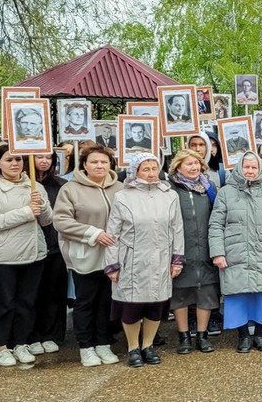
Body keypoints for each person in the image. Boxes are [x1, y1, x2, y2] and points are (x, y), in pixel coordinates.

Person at [104, 153, 184, 368]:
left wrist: (177, 258)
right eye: (145, 169)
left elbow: (177, 229)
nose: (151, 173)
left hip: (161, 258)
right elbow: (113, 233)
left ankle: (148, 345)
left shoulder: (169, 195)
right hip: (132, 260)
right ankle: (133, 348)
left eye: (154, 168)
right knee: (131, 306)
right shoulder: (123, 197)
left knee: (156, 305)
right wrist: (112, 264)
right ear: (135, 172)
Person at [53, 144, 124, 367]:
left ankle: (103, 343)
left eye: (103, 161)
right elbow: (61, 221)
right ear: (84, 164)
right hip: (86, 255)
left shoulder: (120, 188)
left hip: (114, 256)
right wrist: (93, 233)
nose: (99, 166)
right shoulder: (71, 189)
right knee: (85, 302)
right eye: (94, 161)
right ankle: (86, 346)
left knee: (106, 301)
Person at [209, 151, 262, 352]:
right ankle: (243, 336)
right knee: (237, 295)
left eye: (254, 167)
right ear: (239, 168)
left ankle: (259, 335)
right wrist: (218, 253)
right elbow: (216, 225)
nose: (250, 171)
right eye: (246, 167)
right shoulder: (225, 192)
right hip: (235, 252)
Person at [0, 144, 53, 366]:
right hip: (3, 256)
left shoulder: (35, 186)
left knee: (27, 302)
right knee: (4, 303)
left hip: (34, 253)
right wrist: (26, 211)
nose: (14, 164)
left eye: (18, 159)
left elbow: (47, 220)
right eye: (8, 160)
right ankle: (1, 347)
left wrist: (41, 205)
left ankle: (21, 343)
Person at [169, 149, 219, 355]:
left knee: (205, 293)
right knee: (180, 294)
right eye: (189, 163)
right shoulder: (170, 188)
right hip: (181, 249)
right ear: (178, 167)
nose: (194, 167)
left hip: (205, 248)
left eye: (197, 163)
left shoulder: (209, 187)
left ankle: (202, 335)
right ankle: (184, 336)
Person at [27, 152, 68, 356]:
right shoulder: (24, 185)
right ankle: (31, 335)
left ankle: (51, 333)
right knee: (32, 292)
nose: (44, 161)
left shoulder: (61, 185)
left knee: (53, 291)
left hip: (55, 245)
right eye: (39, 157)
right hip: (29, 247)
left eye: (48, 157)